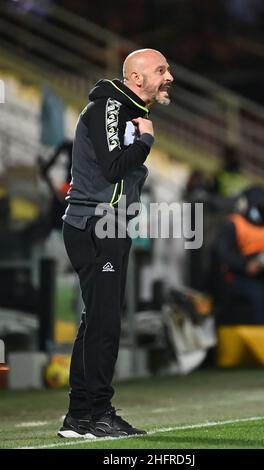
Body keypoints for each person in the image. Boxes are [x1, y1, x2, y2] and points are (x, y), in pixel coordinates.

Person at [58, 49, 173, 438]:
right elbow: (111, 166)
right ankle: (99, 415)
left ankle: (79, 417)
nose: (169, 76)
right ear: (136, 78)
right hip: (96, 224)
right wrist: (145, 142)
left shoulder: (124, 109)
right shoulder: (109, 106)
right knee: (104, 323)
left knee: (96, 321)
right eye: (161, 70)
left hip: (105, 224)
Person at [213, 186, 264, 325]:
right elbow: (223, 255)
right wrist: (245, 264)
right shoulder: (233, 224)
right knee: (257, 294)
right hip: (236, 275)